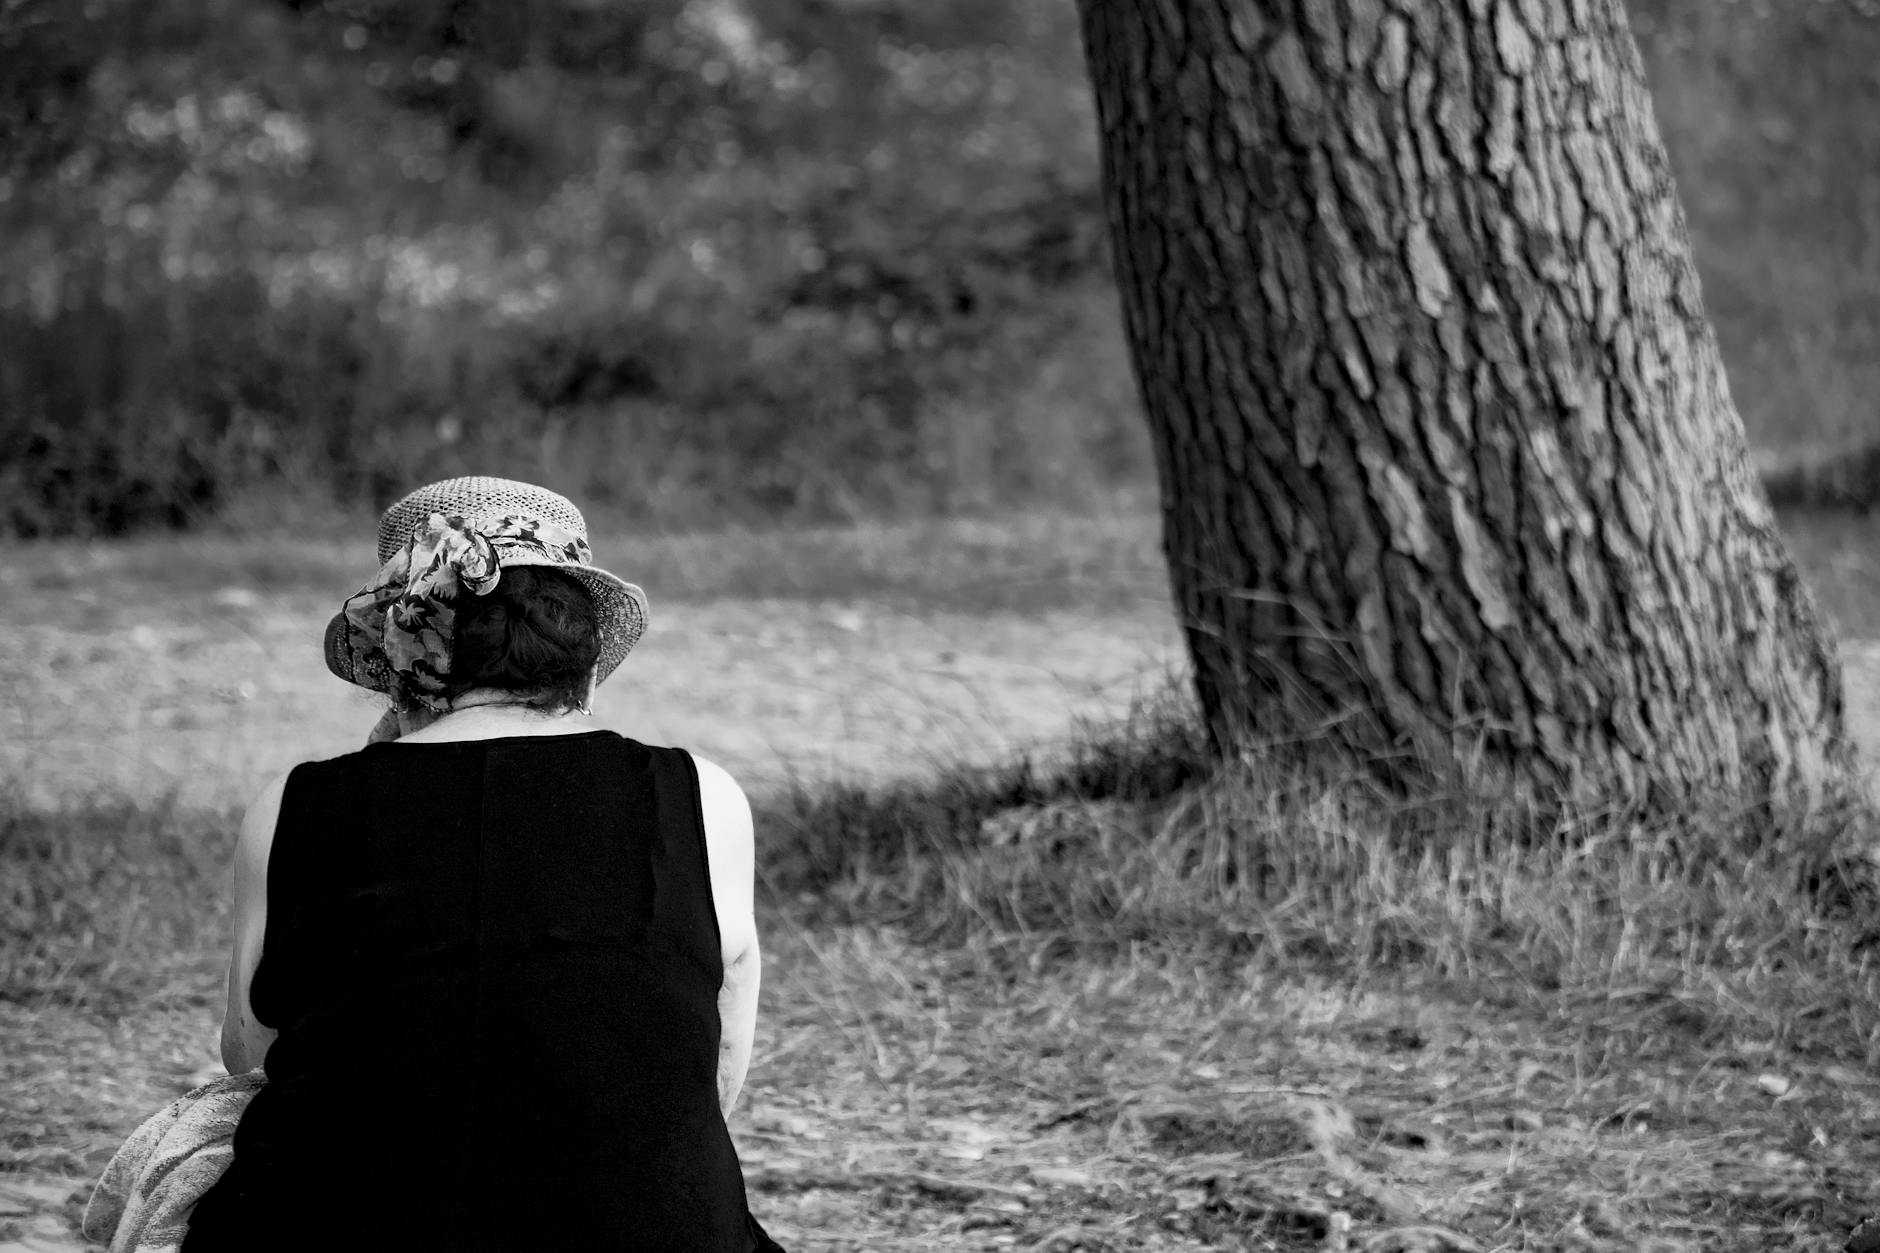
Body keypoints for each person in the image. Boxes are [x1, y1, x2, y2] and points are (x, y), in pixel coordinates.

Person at [176, 475, 787, 1252]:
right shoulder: (701, 796)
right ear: (583, 651)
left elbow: (253, 1053)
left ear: (400, 644)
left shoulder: (292, 806)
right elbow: (713, 1068)